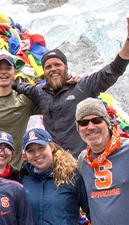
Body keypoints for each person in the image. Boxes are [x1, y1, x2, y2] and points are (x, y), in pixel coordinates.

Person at [14, 18, 129, 157]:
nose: (53, 69)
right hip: (58, 166)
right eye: (48, 67)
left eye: (57, 65)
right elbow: (18, 86)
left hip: (84, 163)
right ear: (44, 71)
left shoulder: (82, 87)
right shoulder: (39, 91)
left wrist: (127, 43)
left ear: (66, 68)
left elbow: (112, 71)